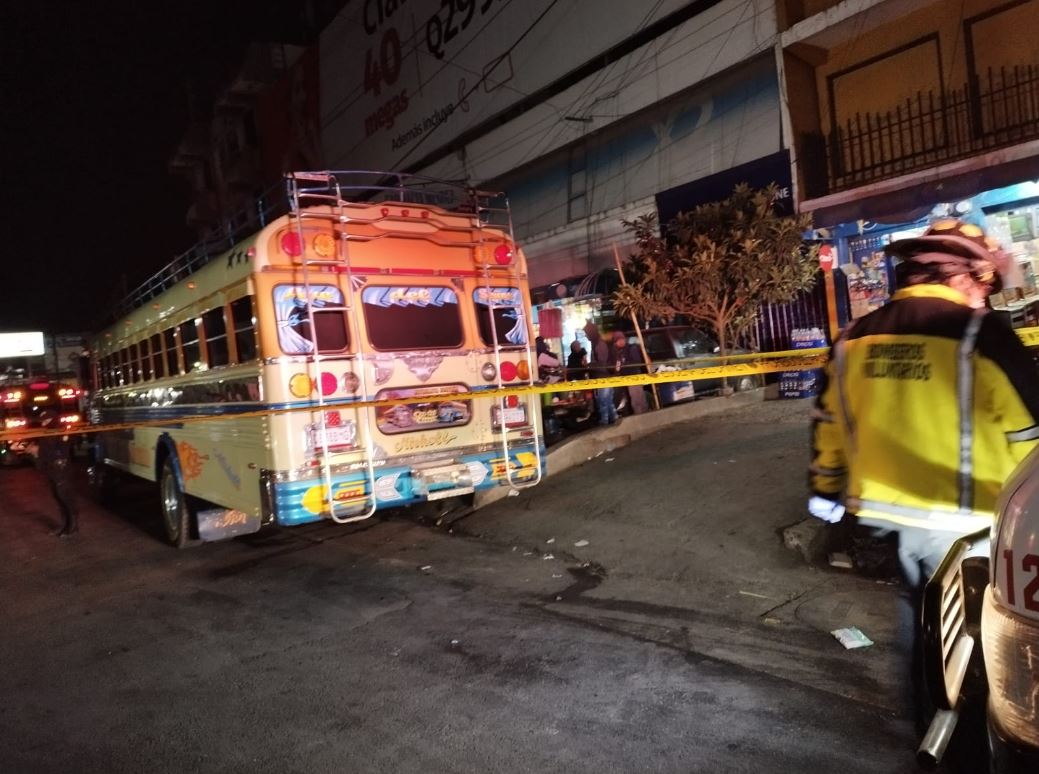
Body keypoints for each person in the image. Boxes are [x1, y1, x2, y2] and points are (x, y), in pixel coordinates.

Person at [808, 218, 1039, 723]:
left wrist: (825, 489)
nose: (985, 296)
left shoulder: (854, 338)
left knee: (925, 618)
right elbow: (1030, 435)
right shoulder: (984, 336)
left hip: (892, 516)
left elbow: (829, 421)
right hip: (973, 520)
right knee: (986, 635)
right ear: (963, 276)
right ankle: (972, 734)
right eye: (984, 284)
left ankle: (929, 721)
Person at [31, 409, 79, 536]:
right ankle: (64, 525)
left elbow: (61, 452)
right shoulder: (47, 432)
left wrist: (37, 451)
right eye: (41, 420)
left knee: (65, 497)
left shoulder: (60, 431)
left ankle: (73, 526)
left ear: (52, 419)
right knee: (58, 498)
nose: (42, 423)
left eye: (45, 420)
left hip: (61, 469)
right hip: (52, 469)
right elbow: (44, 452)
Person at [584, 322, 619, 426]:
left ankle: (605, 421)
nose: (585, 336)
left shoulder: (599, 344)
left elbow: (601, 362)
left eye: (586, 333)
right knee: (607, 400)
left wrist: (589, 365)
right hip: (604, 376)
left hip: (603, 376)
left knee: (603, 400)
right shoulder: (598, 343)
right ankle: (614, 418)